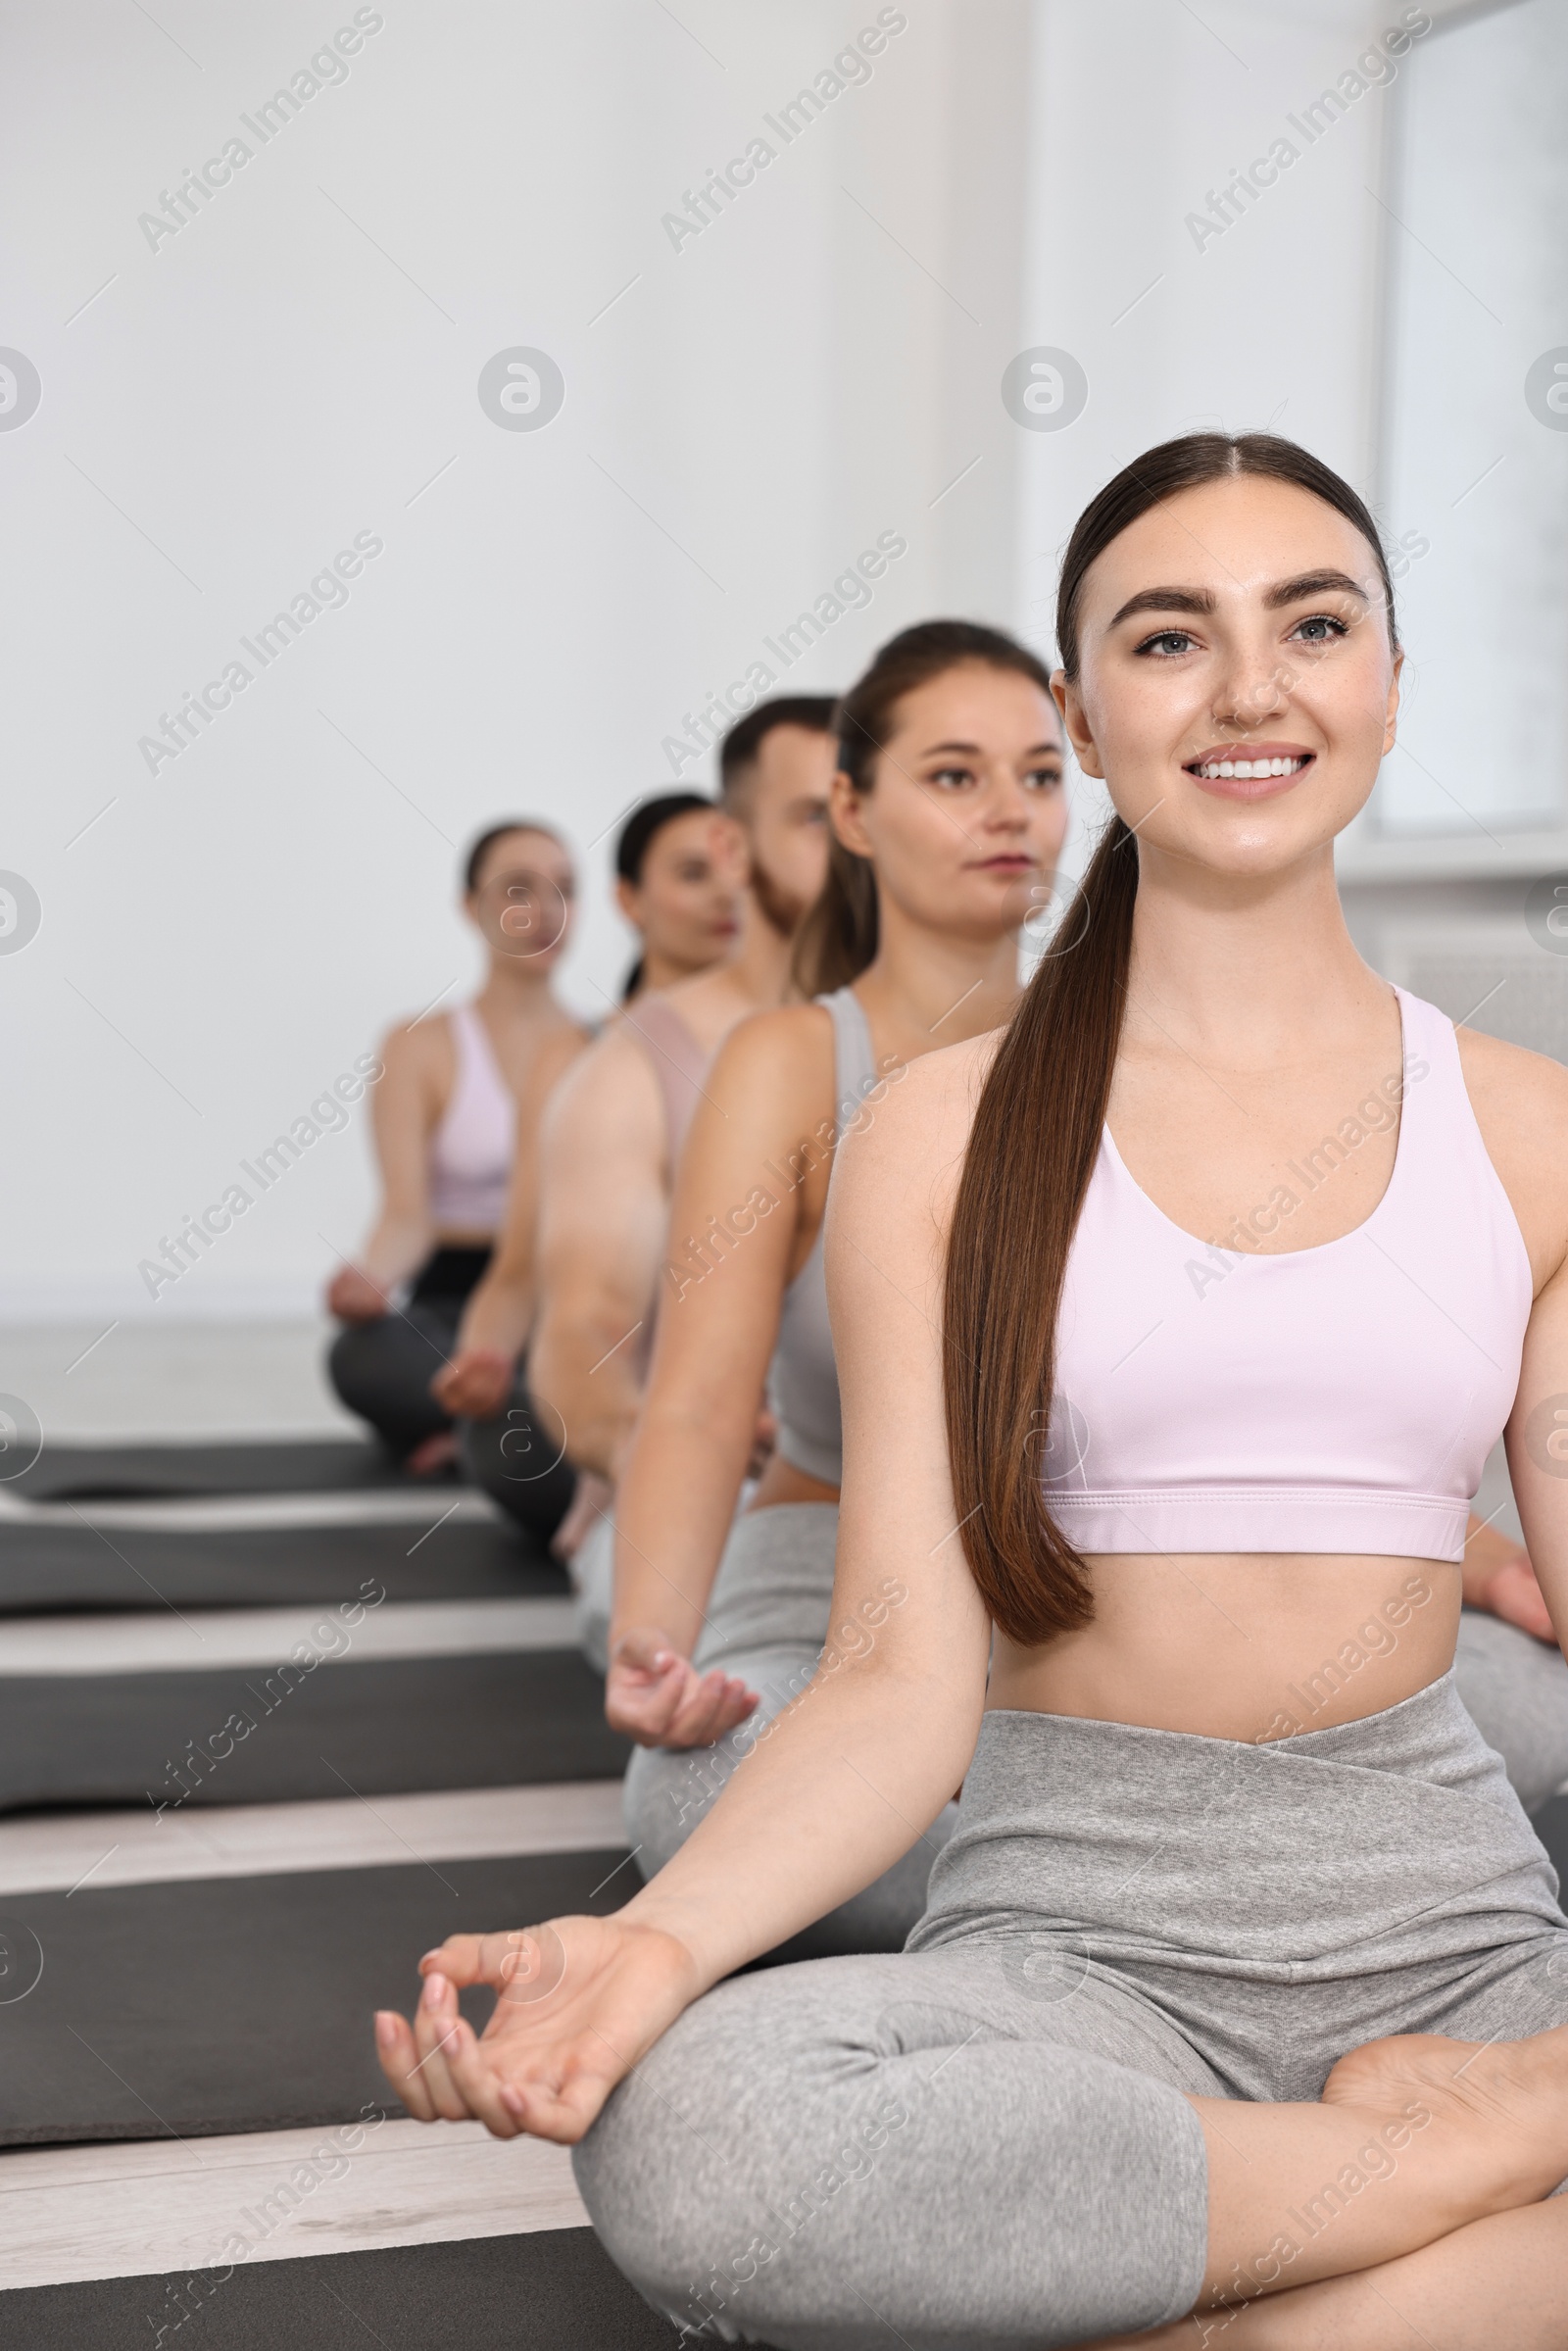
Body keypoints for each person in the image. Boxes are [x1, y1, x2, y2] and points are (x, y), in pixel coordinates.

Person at [378, 436, 1568, 2347]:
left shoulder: (1529, 1132)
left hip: (1449, 1920)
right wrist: (650, 1939)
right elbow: (896, 1674)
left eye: (1313, 623)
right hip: (1081, 1931)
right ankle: (1439, 2190)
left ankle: (1217, 2284)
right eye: (1170, 638)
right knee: (701, 2137)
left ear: (1387, 685)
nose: (1250, 688)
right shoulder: (935, 1135)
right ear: (1083, 717)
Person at [609, 622, 1071, 1949]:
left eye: (1041, 776)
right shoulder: (790, 1060)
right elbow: (699, 1400)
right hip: (828, 1579)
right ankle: (1086, 1887)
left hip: (1068, 1597)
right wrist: (652, 1642)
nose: (1010, 812)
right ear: (855, 813)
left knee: (1509, 1707)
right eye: (955, 775)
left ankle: (1057, 1869)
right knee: (698, 1795)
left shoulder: (1129, 1038)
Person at [441, 702, 838, 1608]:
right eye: (815, 814)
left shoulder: (949, 1036)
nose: (852, 837)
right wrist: (643, 1443)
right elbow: (575, 1316)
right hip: (711, 1464)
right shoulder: (614, 1070)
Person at [324, 822, 589, 1510]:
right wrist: (370, 1277)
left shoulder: (606, 1044)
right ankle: (487, 1420)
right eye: (518, 890)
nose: (546, 912)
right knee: (364, 1357)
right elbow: (406, 1216)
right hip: (448, 1302)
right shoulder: (421, 1046)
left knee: (569, 1372)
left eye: (564, 890)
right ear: (470, 907)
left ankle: (477, 1429)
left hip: (557, 1301)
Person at [610, 792, 747, 1003]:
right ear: (629, 900)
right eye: (693, 874)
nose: (728, 894)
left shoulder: (786, 1028)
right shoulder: (597, 1036)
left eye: (736, 869)